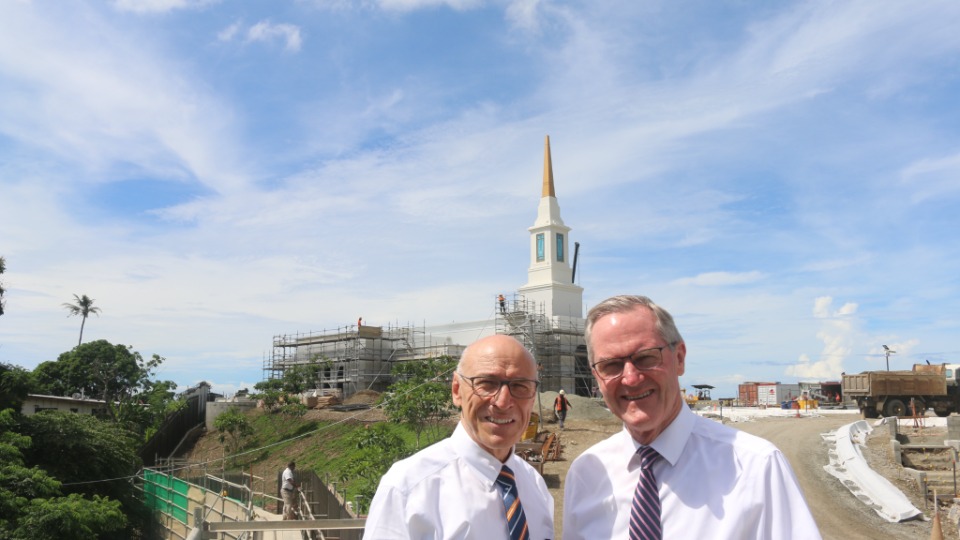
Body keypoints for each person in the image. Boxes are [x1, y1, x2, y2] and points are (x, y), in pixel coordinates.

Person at [563, 295, 821, 539]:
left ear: (679, 358)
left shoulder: (756, 467)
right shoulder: (587, 474)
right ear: (596, 376)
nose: (630, 378)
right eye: (612, 365)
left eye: (645, 358)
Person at [364, 334, 554, 539]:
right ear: (456, 390)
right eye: (487, 383)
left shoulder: (535, 485)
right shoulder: (408, 489)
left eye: (519, 386)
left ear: (533, 395)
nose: (503, 402)